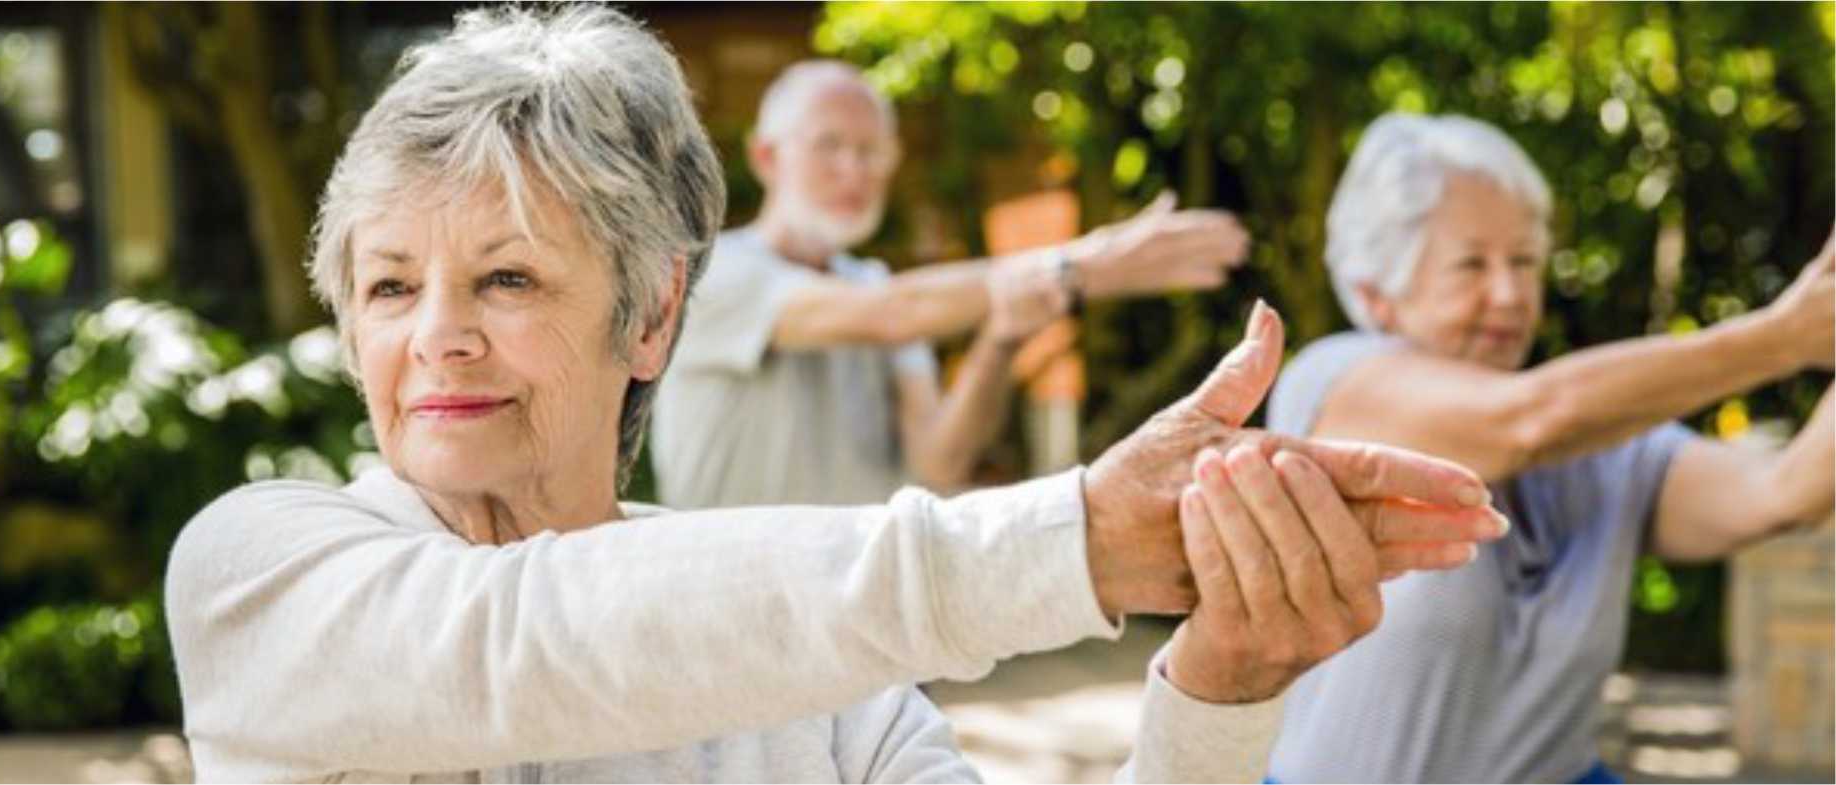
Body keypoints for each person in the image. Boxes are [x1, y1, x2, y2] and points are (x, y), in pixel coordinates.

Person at [165, 9, 1507, 782]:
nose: (438, 337)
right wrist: (1078, 542)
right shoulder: (256, 574)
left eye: (507, 279)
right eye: (392, 288)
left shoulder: (838, 706)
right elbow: (526, 638)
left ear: (650, 316)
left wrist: (1220, 684)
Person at [1262, 112, 1835, 783]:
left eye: (1525, 261)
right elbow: (1526, 421)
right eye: (1472, 264)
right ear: (1376, 294)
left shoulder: (1608, 444)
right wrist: (1785, 337)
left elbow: (1784, 492)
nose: (1509, 293)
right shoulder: (1333, 384)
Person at [650, 59, 1252, 509]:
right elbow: (891, 314)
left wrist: (1001, 340)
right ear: (766, 157)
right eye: (829, 145)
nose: (853, 169)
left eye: (871, 151)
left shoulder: (875, 282)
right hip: (730, 617)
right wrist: (1085, 265)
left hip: (855, 628)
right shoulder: (716, 272)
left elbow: (939, 460)